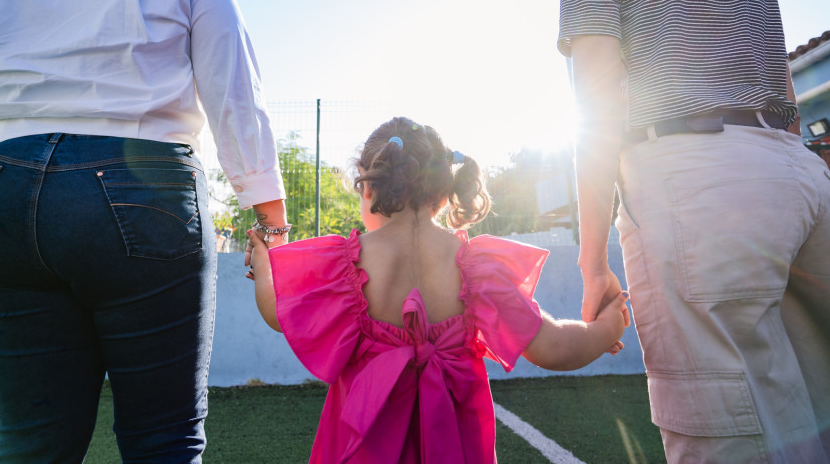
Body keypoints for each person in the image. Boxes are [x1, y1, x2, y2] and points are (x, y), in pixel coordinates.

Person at [0, 0, 288, 462]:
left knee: (30, 441)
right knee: (163, 439)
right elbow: (236, 96)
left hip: (3, 194)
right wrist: (271, 225)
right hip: (140, 186)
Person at [558, 0, 830, 463]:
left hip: (691, 181)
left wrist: (593, 263)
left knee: (727, 424)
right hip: (799, 176)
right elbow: (788, 105)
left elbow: (597, 119)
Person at [247, 117, 626, 463]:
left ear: (367, 186)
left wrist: (266, 261)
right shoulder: (477, 268)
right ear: (444, 195)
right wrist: (606, 327)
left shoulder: (344, 265)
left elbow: (276, 310)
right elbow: (553, 346)